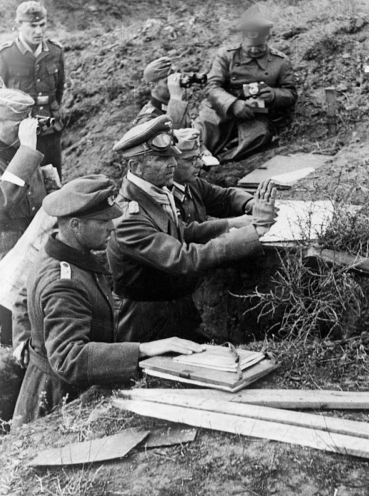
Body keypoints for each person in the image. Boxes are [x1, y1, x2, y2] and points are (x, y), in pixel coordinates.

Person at [12, 174, 203, 428]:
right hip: (61, 400)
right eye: (103, 221)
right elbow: (69, 358)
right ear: (76, 225)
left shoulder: (55, 250)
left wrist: (29, 342)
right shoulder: (65, 282)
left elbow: (25, 297)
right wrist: (142, 350)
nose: (112, 227)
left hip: (53, 382)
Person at [107, 115, 278, 344]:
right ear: (135, 166)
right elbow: (184, 259)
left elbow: (184, 232)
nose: (173, 164)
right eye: (161, 159)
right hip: (147, 326)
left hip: (177, 310)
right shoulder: (128, 217)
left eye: (173, 157)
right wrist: (252, 233)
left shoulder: (156, 191)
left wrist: (238, 224)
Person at [196, 14, 298, 162]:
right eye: (250, 47)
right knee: (204, 130)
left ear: (267, 40)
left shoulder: (281, 62)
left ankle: (222, 162)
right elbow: (212, 86)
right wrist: (234, 104)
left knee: (259, 136)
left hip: (255, 113)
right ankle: (197, 158)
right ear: (243, 40)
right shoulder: (226, 56)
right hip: (221, 108)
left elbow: (291, 93)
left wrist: (273, 95)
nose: (255, 51)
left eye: (260, 47)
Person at [0, 88, 47, 345]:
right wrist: (27, 149)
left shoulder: (18, 149)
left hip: (28, 249)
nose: (28, 130)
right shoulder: (22, 151)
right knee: (2, 331)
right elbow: (2, 197)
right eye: (20, 125)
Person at [0, 1, 65, 177]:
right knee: (27, 187)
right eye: (32, 26)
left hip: (50, 132)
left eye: (42, 25)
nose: (39, 31)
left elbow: (59, 91)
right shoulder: (6, 55)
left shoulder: (56, 51)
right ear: (18, 25)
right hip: (20, 137)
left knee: (54, 183)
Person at [172, 127, 255, 225]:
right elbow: (187, 232)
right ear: (171, 162)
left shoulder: (193, 184)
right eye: (191, 160)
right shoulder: (162, 196)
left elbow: (226, 198)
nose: (200, 164)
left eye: (199, 157)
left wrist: (251, 204)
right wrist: (231, 224)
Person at [134, 57, 192, 129]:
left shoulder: (175, 105)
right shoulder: (147, 120)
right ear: (153, 86)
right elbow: (172, 136)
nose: (174, 85)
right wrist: (175, 97)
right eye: (168, 81)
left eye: (175, 80)